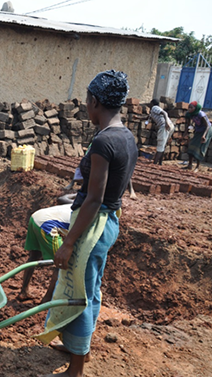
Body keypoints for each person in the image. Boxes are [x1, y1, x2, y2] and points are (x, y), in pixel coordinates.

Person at [37, 70, 137, 377]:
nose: (86, 108)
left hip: (93, 225)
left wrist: (68, 244)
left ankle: (76, 368)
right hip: (107, 222)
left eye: (87, 101)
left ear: (94, 101)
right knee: (89, 290)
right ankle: (77, 348)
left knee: (77, 292)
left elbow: (93, 198)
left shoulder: (104, 142)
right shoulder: (126, 136)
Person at [18, 200, 72, 303]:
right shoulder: (91, 216)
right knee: (61, 264)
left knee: (34, 256)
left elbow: (62, 198)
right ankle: (47, 300)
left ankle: (24, 291)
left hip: (36, 216)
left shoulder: (83, 203)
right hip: (47, 225)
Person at [184, 101, 211, 172]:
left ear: (195, 108)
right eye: (189, 107)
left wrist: (204, 135)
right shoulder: (189, 114)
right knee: (191, 146)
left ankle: (197, 167)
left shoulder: (200, 114)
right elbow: (188, 124)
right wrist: (185, 134)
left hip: (206, 131)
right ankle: (189, 165)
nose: (189, 109)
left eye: (191, 107)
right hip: (198, 130)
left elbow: (207, 126)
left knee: (199, 148)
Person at [148, 99, 175, 165]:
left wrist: (166, 123)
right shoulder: (153, 112)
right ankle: (160, 163)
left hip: (164, 126)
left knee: (160, 145)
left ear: (152, 103)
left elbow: (165, 113)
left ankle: (154, 164)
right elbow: (148, 118)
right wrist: (137, 117)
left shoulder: (154, 108)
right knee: (163, 145)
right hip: (170, 126)